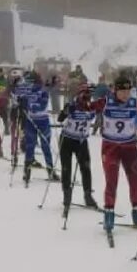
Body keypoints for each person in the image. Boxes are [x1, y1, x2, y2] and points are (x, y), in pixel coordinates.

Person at [98, 75, 137, 233]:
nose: (125, 94)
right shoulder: (106, 101)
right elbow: (88, 107)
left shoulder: (134, 102)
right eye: (122, 91)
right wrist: (77, 105)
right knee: (111, 180)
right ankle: (109, 213)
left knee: (135, 179)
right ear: (115, 90)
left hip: (130, 147)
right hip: (111, 147)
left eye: (128, 91)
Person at [55, 83, 100, 218]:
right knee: (66, 168)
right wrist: (66, 111)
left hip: (81, 140)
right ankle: (67, 195)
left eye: (88, 95)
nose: (87, 97)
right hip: (67, 140)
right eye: (84, 95)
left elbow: (97, 113)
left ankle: (88, 195)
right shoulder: (73, 105)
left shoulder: (91, 106)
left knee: (85, 168)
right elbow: (60, 119)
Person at [17, 71, 57, 185]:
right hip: (31, 121)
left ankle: (50, 171)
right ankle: (27, 172)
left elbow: (43, 104)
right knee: (30, 146)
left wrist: (33, 106)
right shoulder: (27, 90)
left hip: (43, 121)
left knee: (45, 147)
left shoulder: (43, 90)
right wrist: (20, 102)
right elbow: (19, 98)